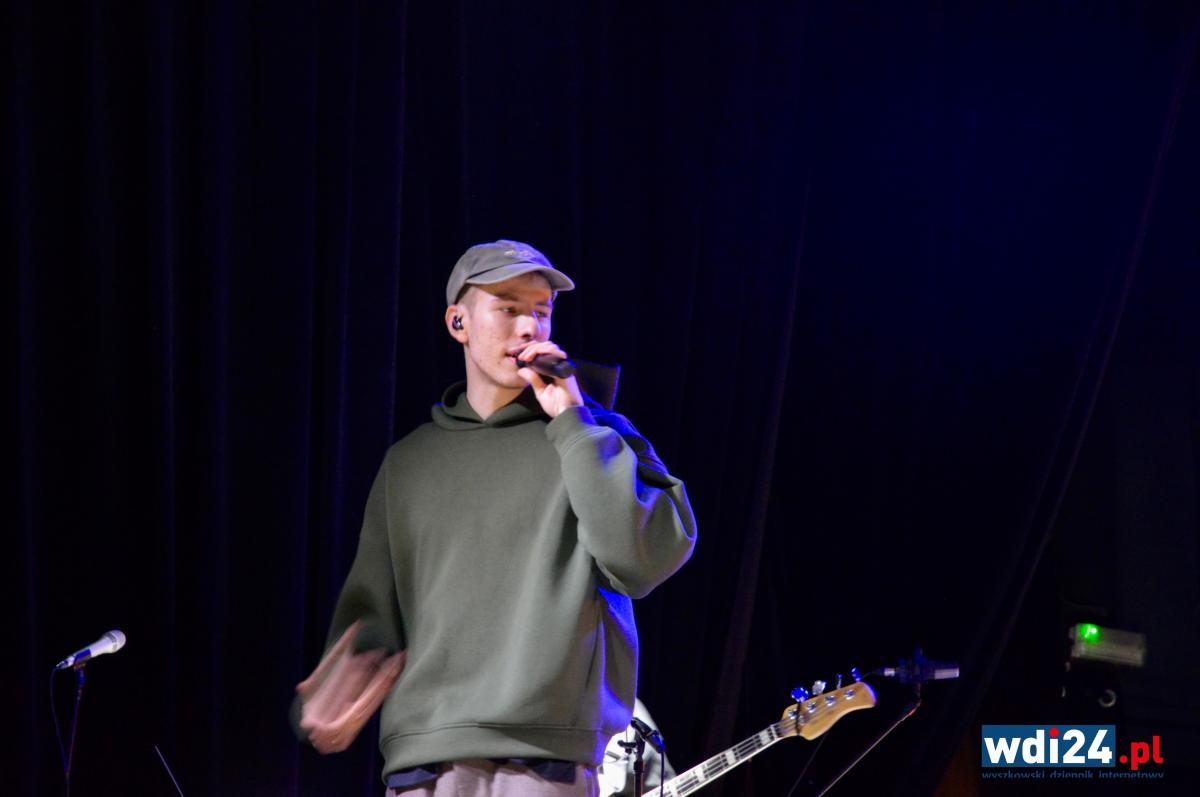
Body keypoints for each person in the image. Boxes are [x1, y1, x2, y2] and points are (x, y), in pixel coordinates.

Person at [294, 240, 697, 796]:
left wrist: (574, 424)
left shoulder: (596, 434)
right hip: (423, 764)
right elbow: (374, 611)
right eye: (508, 308)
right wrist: (339, 687)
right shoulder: (410, 462)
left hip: (547, 760)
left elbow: (645, 559)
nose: (530, 327)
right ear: (457, 322)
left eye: (541, 311)